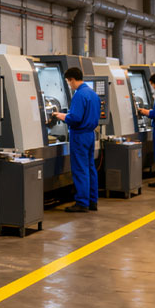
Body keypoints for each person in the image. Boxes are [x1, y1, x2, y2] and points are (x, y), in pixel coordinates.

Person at [52, 67, 101, 213]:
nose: (69, 85)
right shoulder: (93, 94)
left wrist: (62, 116)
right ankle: (92, 201)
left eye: (68, 82)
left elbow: (76, 118)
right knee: (90, 167)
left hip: (79, 136)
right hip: (90, 134)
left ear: (72, 79)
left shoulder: (79, 95)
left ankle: (82, 202)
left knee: (80, 168)